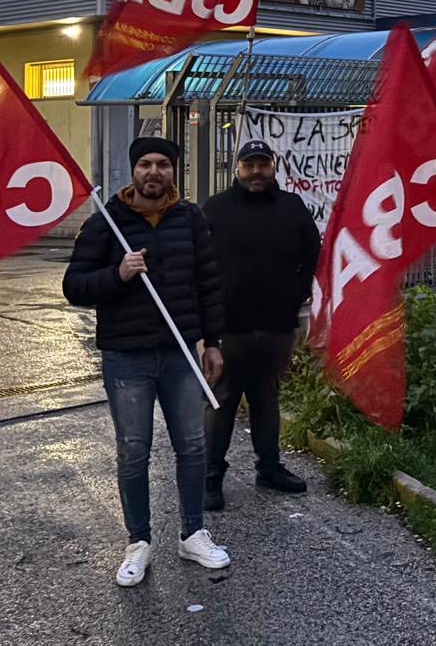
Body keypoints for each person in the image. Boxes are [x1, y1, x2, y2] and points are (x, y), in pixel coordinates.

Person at [64, 137, 232, 586]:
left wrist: (212, 342)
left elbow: (208, 283)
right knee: (133, 450)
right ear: (133, 170)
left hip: (180, 353)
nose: (153, 172)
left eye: (162, 164)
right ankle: (138, 542)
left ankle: (193, 533)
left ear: (173, 171)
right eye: (144, 164)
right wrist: (117, 275)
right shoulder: (107, 222)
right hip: (126, 356)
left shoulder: (189, 218)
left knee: (192, 445)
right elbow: (74, 286)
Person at [201, 139, 321, 507]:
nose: (256, 172)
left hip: (276, 326)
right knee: (221, 401)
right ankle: (210, 478)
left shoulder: (292, 206)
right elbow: (200, 265)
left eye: (262, 165)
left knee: (267, 398)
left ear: (273, 166)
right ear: (237, 168)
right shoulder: (215, 208)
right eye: (249, 165)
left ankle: (269, 469)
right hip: (228, 328)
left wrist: (296, 293)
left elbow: (312, 251)